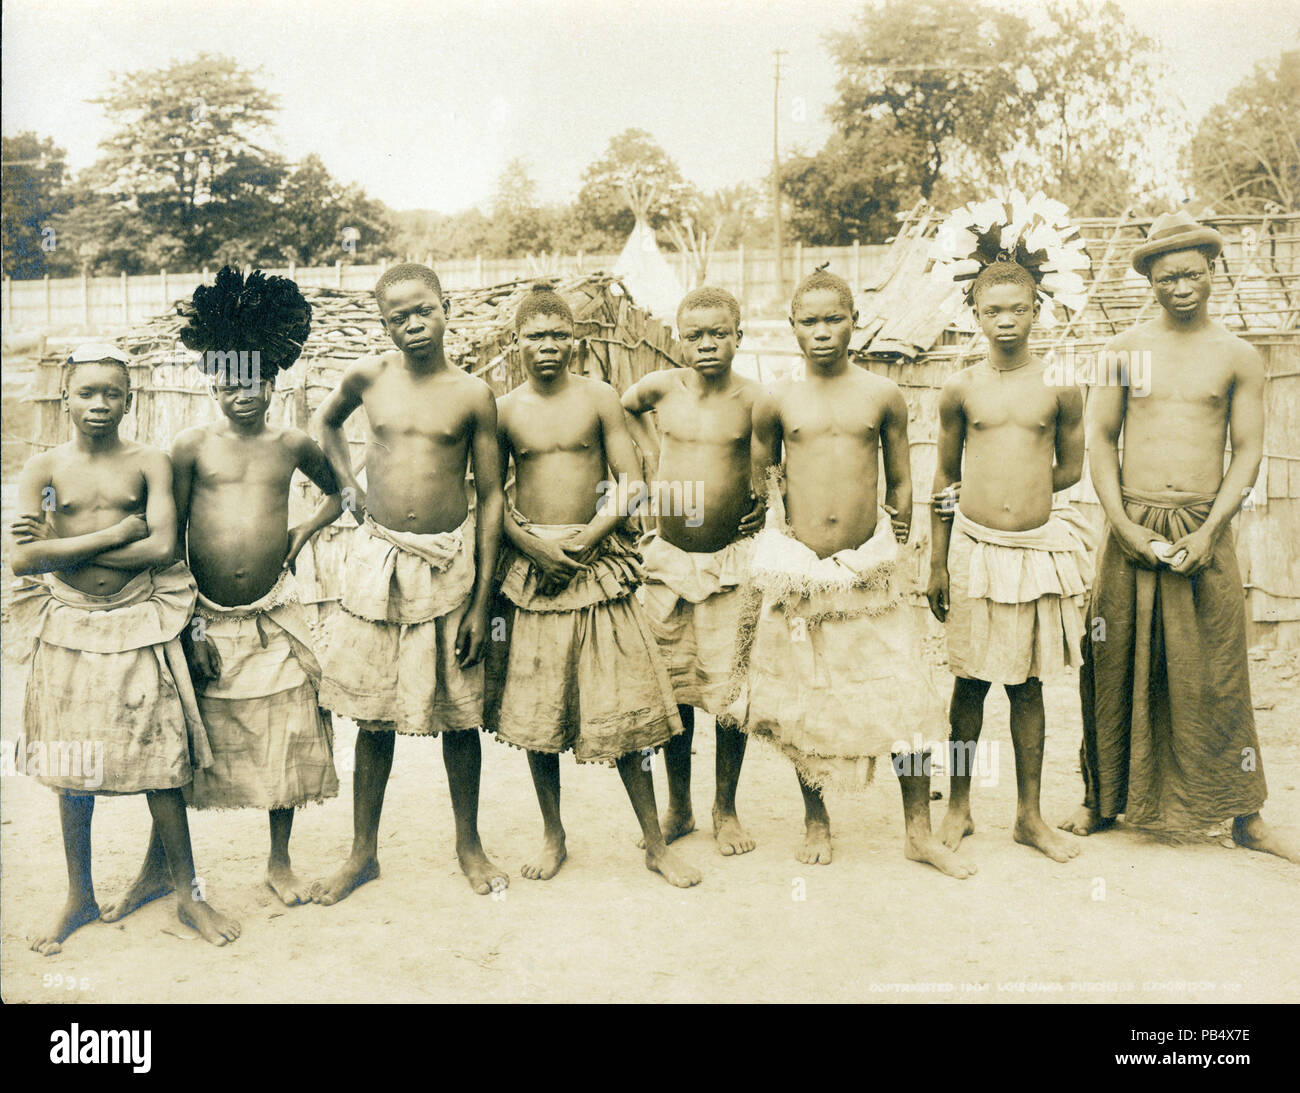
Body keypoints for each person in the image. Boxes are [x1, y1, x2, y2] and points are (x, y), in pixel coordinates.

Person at [102, 269, 343, 918]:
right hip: (202, 614)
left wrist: (302, 533)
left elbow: (341, 492)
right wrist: (192, 625)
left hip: (271, 614)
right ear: (212, 380)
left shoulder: (291, 443)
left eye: (254, 381)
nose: (242, 394)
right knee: (176, 738)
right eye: (229, 381)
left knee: (288, 728)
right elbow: (170, 538)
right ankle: (168, 869)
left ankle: (280, 859)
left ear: (273, 381)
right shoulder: (189, 448)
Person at [1060, 211, 1295, 861]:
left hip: (1203, 530)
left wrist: (1211, 529)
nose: (1181, 286)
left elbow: (1247, 452)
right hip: (1131, 526)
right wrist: (1123, 523)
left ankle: (1244, 813)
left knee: (1218, 671)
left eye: (1192, 273)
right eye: (1167, 278)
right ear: (1150, 282)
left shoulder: (1239, 356)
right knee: (1112, 660)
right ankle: (1100, 799)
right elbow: (1100, 443)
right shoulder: (1121, 352)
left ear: (1212, 271)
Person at [727, 269, 973, 878]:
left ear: (854, 322)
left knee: (905, 696)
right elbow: (763, 480)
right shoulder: (776, 400)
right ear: (791, 329)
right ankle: (817, 819)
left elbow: (901, 479)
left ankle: (918, 831)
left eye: (833, 318)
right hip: (803, 572)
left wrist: (899, 540)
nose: (822, 332)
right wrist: (780, 543)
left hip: (871, 569)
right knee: (807, 701)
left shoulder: (882, 395)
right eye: (808, 321)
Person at [8, 344, 240, 952]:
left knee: (161, 757)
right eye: (87, 393)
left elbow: (163, 548)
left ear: (130, 399)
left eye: (113, 393)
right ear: (66, 398)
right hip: (70, 625)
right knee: (72, 764)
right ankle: (79, 894)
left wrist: (68, 545)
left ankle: (187, 892)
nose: (100, 404)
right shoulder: (46, 471)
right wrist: (117, 532)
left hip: (141, 620)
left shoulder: (149, 464)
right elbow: (23, 559)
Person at [486, 284, 699, 887]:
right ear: (517, 341)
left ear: (574, 339)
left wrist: (591, 535)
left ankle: (655, 843)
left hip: (596, 566)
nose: (547, 346)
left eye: (557, 334)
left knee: (625, 707)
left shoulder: (600, 397)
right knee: (537, 713)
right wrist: (533, 545)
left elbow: (630, 480)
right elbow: (488, 496)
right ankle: (554, 835)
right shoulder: (504, 410)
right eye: (536, 336)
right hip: (534, 575)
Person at [311, 263, 508, 902]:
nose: (413, 325)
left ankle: (469, 846)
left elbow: (494, 496)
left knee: (459, 716)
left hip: (449, 566)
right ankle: (362, 853)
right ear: (384, 325)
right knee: (373, 717)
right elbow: (325, 424)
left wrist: (481, 602)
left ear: (444, 306)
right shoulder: (369, 377)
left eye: (422, 310)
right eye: (398, 317)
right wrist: (349, 489)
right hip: (380, 564)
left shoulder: (474, 394)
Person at [927, 259, 1091, 864]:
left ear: (1035, 312)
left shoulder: (1061, 386)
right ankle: (959, 806)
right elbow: (944, 476)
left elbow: (1072, 468)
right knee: (968, 685)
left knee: (1028, 686)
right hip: (970, 546)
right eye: (992, 310)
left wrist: (1023, 492)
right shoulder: (960, 388)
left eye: (1016, 309)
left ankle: (1029, 816)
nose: (1005, 321)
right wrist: (938, 562)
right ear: (975, 316)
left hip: (1033, 554)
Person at [622, 286, 766, 856]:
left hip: (730, 562)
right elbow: (627, 406)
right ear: (679, 339)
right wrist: (650, 456)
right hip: (668, 563)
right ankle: (678, 804)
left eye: (718, 334)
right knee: (674, 688)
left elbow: (776, 454)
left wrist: (764, 492)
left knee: (729, 693)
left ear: (739, 335)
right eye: (694, 336)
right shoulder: (662, 388)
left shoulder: (756, 399)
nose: (707, 345)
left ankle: (724, 807)